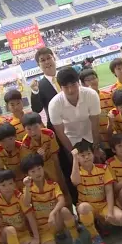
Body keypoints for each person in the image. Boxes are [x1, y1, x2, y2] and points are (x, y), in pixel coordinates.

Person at [29, 47, 78, 201]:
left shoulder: (66, 76)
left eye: (48, 58)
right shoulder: (40, 85)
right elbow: (37, 109)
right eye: (42, 60)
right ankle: (77, 200)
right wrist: (35, 92)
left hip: (77, 124)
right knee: (68, 166)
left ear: (54, 58)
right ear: (39, 65)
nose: (46, 62)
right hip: (57, 131)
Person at [21, 154, 84, 244]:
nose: (37, 173)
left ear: (43, 168)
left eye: (39, 168)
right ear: (27, 175)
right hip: (43, 228)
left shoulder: (53, 184)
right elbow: (26, 203)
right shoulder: (27, 189)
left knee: (64, 210)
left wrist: (53, 213)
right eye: (33, 171)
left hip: (55, 221)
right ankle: (50, 241)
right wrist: (27, 187)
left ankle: (75, 239)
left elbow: (61, 201)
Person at [71, 139, 122, 244]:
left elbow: (109, 191)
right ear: (78, 158)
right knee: (83, 208)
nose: (86, 157)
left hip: (103, 204)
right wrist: (74, 158)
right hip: (88, 207)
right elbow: (75, 181)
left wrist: (110, 212)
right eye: (82, 155)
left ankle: (101, 222)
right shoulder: (78, 172)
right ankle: (95, 236)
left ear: (93, 154)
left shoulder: (103, 169)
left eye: (89, 154)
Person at [49, 67, 103, 162]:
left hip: (91, 135)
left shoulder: (91, 95)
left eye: (73, 85)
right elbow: (60, 133)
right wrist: (73, 153)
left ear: (78, 83)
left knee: (99, 163)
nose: (71, 90)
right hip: (70, 140)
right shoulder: (54, 104)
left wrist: (96, 147)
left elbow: (95, 124)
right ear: (60, 87)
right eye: (66, 87)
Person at [79, 68, 114, 158]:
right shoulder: (82, 103)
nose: (92, 81)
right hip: (99, 144)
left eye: (94, 78)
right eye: (88, 80)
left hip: (114, 138)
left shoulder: (108, 95)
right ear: (83, 84)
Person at [0, 123, 25, 190]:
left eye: (10, 139)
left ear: (15, 136)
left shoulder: (22, 147)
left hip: (25, 177)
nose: (8, 143)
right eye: (3, 141)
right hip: (10, 181)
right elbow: (0, 171)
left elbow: (27, 166)